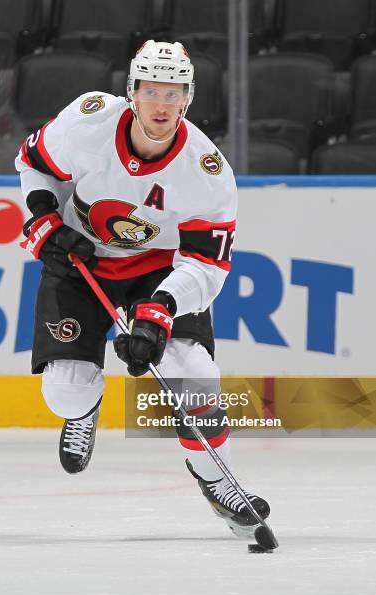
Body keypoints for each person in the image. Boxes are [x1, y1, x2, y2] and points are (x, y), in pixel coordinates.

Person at [16, 40, 270, 538]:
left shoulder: (206, 171)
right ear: (131, 91)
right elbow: (34, 163)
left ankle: (218, 481)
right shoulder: (88, 121)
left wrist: (162, 307)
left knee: (193, 371)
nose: (161, 104)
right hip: (80, 258)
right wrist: (45, 218)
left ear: (188, 98)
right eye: (151, 90)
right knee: (65, 392)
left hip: (158, 270)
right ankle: (84, 409)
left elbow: (206, 264)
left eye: (173, 92)